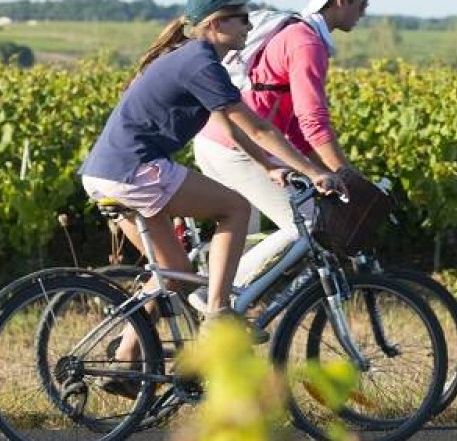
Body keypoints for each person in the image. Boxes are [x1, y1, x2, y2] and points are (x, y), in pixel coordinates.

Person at [78, 0, 341, 366]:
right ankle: (218, 313)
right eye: (243, 19)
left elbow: (232, 125)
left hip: (107, 173)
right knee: (234, 208)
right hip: (134, 171)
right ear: (217, 23)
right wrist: (315, 171)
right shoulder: (200, 61)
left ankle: (124, 359)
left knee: (174, 274)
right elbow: (259, 127)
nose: (250, 27)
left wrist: (267, 167)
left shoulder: (195, 58)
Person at [191, 0, 369, 302]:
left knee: (243, 242)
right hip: (237, 148)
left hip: (216, 140)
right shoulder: (306, 42)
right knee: (311, 223)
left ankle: (217, 321)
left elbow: (297, 128)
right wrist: (349, 178)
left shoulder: (294, 32)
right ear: (340, 2)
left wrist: (321, 171)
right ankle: (211, 295)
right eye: (363, 3)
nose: (365, 11)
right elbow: (313, 120)